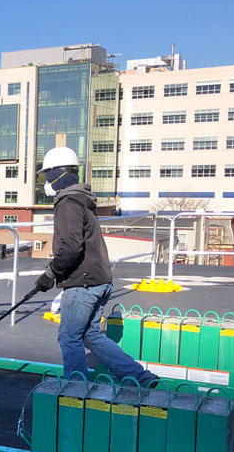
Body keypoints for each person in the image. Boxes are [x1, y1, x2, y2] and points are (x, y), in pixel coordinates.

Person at [34, 147, 157, 386]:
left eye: (46, 175)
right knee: (89, 334)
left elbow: (70, 248)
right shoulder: (82, 200)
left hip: (84, 282)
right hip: (100, 280)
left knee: (69, 337)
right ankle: (140, 378)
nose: (45, 182)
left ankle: (76, 390)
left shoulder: (68, 203)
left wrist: (49, 275)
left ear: (59, 174)